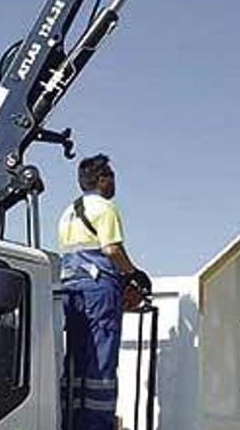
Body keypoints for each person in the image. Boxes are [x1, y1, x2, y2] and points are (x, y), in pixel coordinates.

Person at [57, 154, 150, 430]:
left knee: (75, 358)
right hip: (99, 290)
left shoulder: (67, 212)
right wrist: (133, 274)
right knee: (101, 359)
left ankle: (71, 420)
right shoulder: (105, 208)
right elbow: (111, 249)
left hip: (70, 288)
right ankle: (97, 424)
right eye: (111, 177)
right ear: (101, 180)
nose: (113, 183)